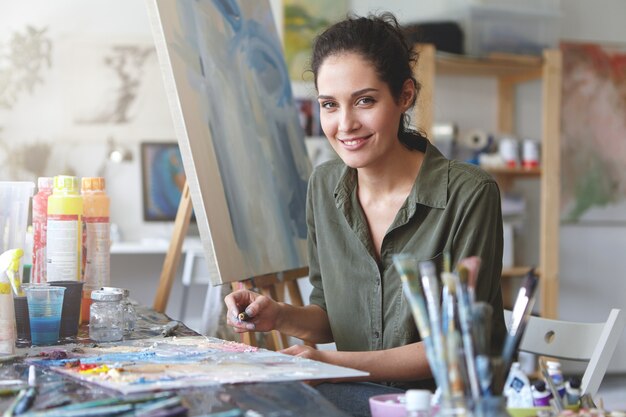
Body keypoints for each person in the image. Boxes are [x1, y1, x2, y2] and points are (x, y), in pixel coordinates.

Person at [224, 12, 506, 417]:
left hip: (443, 404)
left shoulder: (469, 194)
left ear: (404, 96)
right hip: (357, 395)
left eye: (365, 100)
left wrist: (332, 365)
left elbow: (455, 345)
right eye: (329, 105)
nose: (345, 124)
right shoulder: (323, 187)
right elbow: (330, 317)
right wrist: (279, 315)